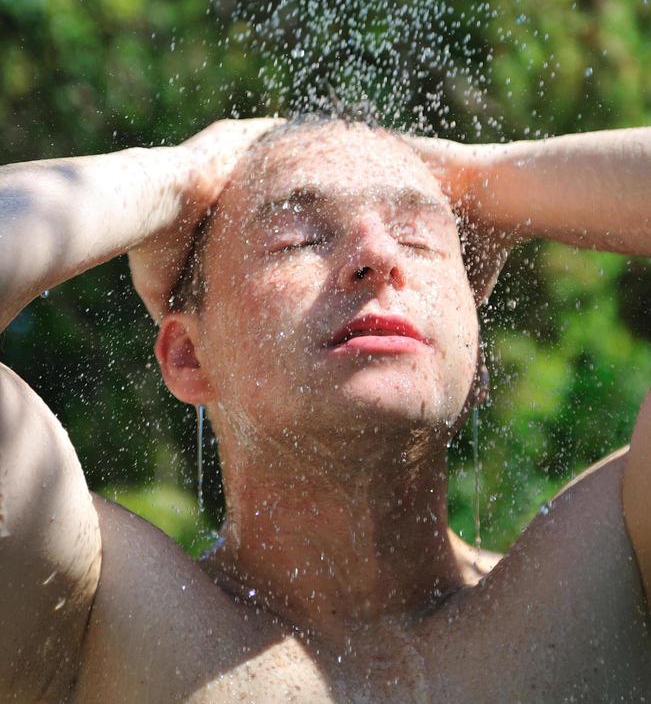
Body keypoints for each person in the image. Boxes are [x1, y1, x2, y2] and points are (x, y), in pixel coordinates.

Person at [1, 116, 649, 703]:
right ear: (188, 357)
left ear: (476, 359)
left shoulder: (615, 571)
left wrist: (489, 178)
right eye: (295, 237)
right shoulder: (98, 612)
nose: (378, 258)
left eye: (418, 236)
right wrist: (174, 177)